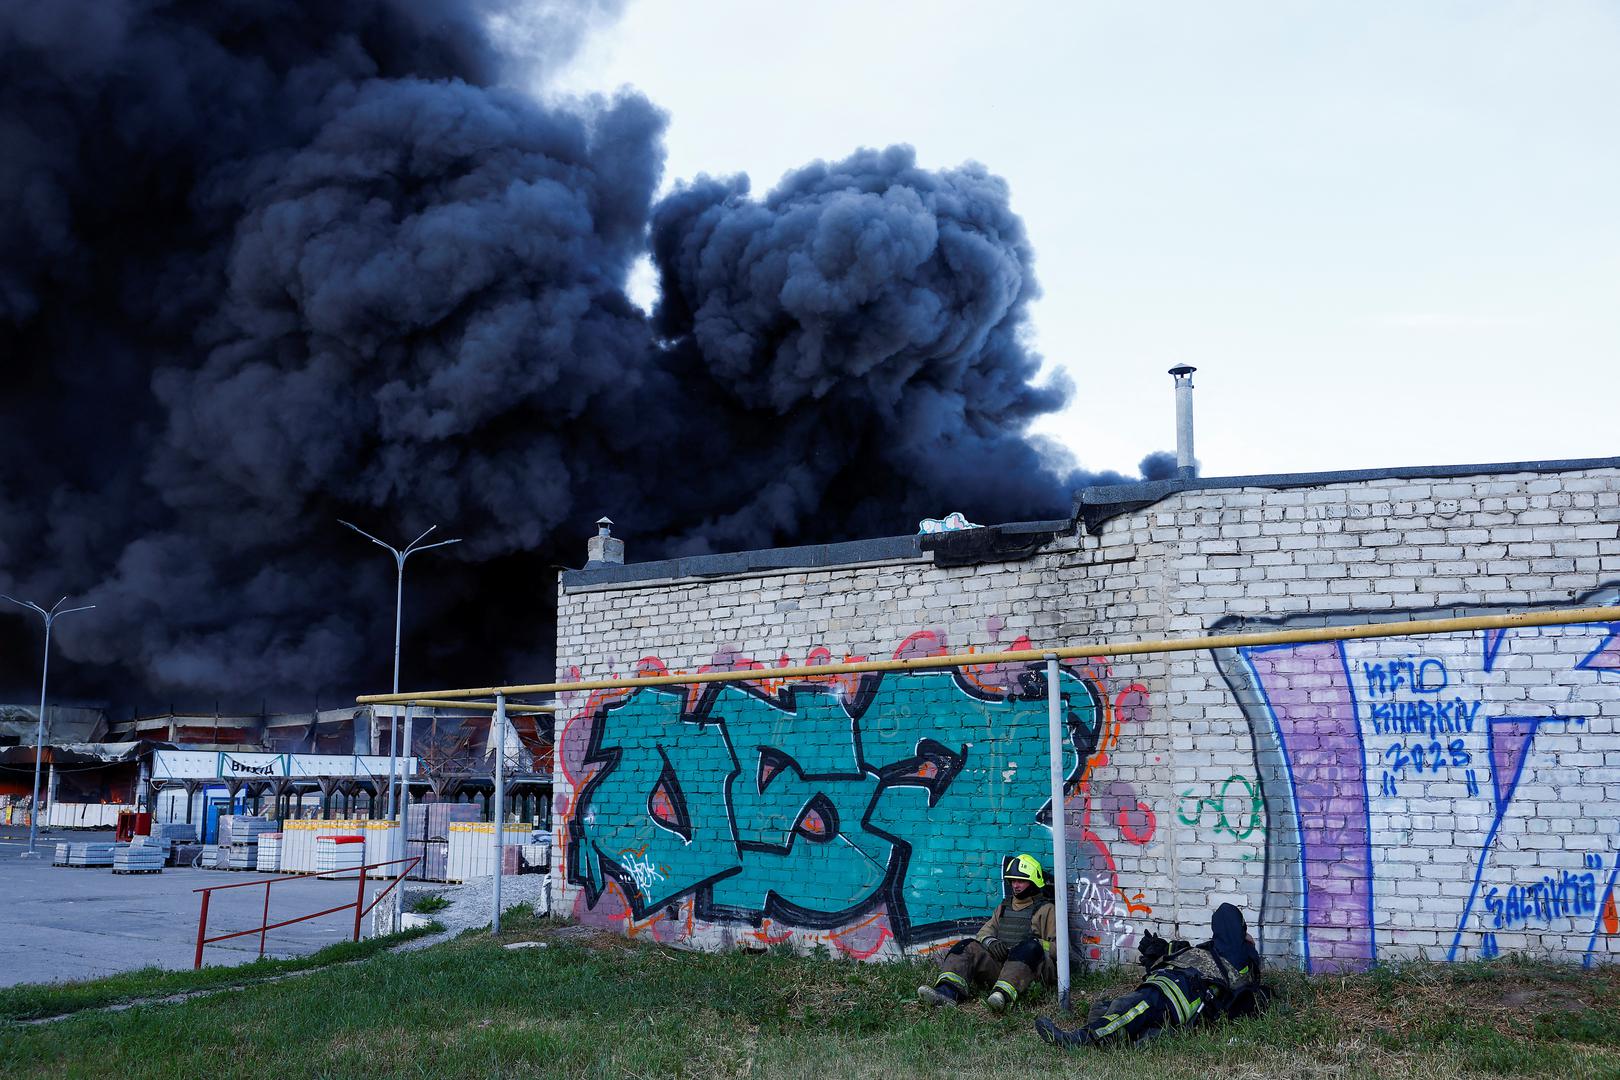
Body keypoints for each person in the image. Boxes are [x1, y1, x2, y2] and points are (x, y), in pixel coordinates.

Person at [1034, 902, 1267, 1049]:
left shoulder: (1238, 957)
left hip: (1174, 995)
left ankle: (1079, 1040)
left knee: (1129, 1009)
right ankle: (1146, 1036)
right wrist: (1156, 950)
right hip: (1161, 986)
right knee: (1107, 1008)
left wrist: (1246, 942)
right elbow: (1180, 952)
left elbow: (1242, 969)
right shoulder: (1209, 950)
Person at [917, 853, 1057, 1014]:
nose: (1016, 885)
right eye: (1013, 880)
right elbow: (984, 933)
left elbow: (1060, 949)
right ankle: (946, 992)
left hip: (1032, 972)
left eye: (1021, 881)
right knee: (967, 945)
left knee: (1030, 947)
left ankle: (1003, 997)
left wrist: (1036, 944)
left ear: (1033, 882)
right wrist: (991, 942)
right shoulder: (1004, 907)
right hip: (1003, 968)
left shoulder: (1046, 910)